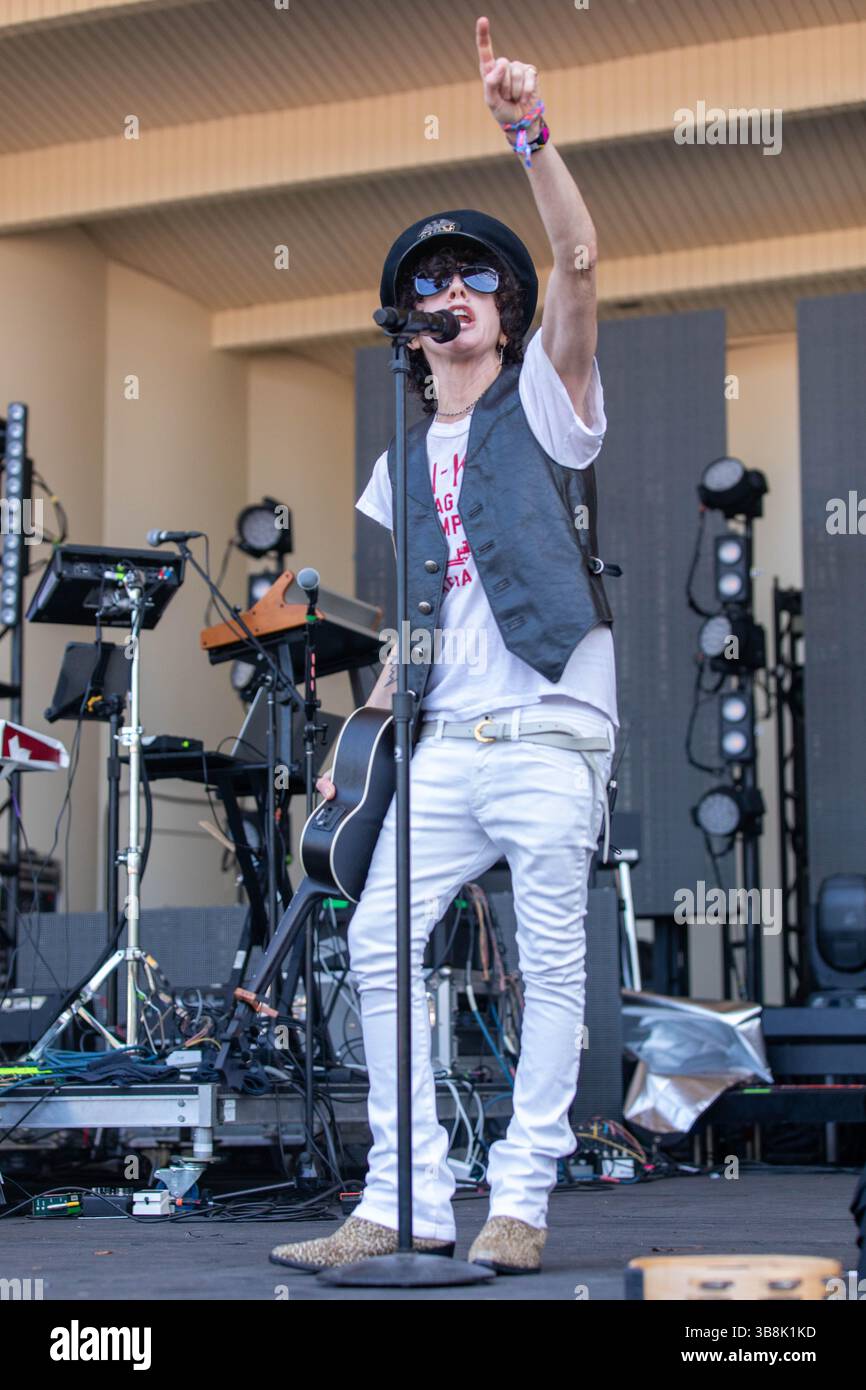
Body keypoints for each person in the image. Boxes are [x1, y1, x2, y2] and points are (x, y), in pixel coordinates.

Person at [271, 14, 619, 1276]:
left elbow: (577, 261)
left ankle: (519, 1194)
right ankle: (405, 1197)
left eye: (477, 279)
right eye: (435, 284)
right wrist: (356, 739)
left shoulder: (546, 398)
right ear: (410, 323)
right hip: (447, 738)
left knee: (545, 957)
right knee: (371, 940)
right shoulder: (399, 459)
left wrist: (527, 134)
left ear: (505, 311)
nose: (454, 293)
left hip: (548, 727)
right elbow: (417, 620)